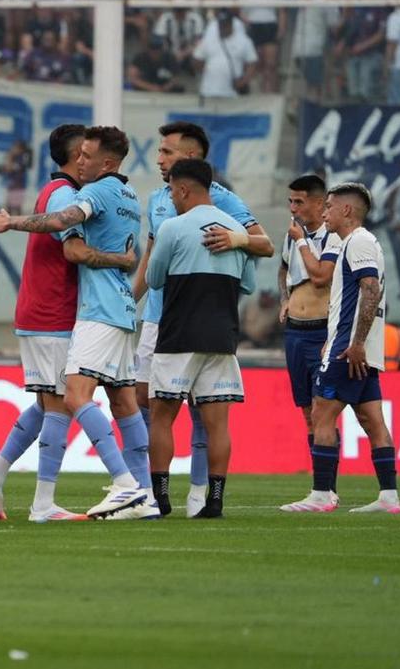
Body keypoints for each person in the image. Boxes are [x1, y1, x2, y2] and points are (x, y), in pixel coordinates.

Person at [0, 126, 154, 520]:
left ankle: (124, 486)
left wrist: (10, 222)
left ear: (104, 163)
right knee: (115, 400)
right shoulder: (128, 193)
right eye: (80, 154)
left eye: (88, 155)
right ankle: (144, 494)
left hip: (90, 310)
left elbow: (66, 230)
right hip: (117, 307)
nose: (81, 161)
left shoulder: (89, 193)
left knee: (70, 398)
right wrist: (122, 261)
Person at [131, 122, 274, 516]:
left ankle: (172, 493)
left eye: (167, 151)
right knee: (202, 413)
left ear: (189, 162)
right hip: (214, 327)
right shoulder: (158, 200)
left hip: (177, 325)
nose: (159, 158)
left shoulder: (218, 205)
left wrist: (239, 240)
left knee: (166, 411)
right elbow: (248, 283)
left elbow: (264, 244)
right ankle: (208, 497)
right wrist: (130, 304)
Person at [281, 183, 400, 515]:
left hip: (349, 349)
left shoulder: (358, 241)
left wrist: (355, 343)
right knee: (371, 419)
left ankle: (322, 494)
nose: (325, 213)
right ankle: (389, 496)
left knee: (321, 413)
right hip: (356, 347)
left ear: (347, 210)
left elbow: (371, 289)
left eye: (330, 207)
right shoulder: (360, 242)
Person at [146, 159, 257, 519]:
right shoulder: (236, 230)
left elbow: (153, 279)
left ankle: (161, 497)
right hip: (222, 336)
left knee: (161, 417)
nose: (171, 198)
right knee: (217, 424)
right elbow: (249, 285)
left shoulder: (173, 227)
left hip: (178, 335)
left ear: (182, 189)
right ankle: (216, 500)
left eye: (172, 192)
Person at [277, 175, 337, 473]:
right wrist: (285, 298)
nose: (293, 208)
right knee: (307, 412)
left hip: (322, 331)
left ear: (318, 202)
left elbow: (320, 277)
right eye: (290, 201)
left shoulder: (333, 236)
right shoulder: (292, 236)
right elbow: (283, 269)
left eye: (299, 202)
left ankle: (328, 485)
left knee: (323, 411)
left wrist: (301, 240)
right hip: (295, 332)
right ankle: (319, 482)